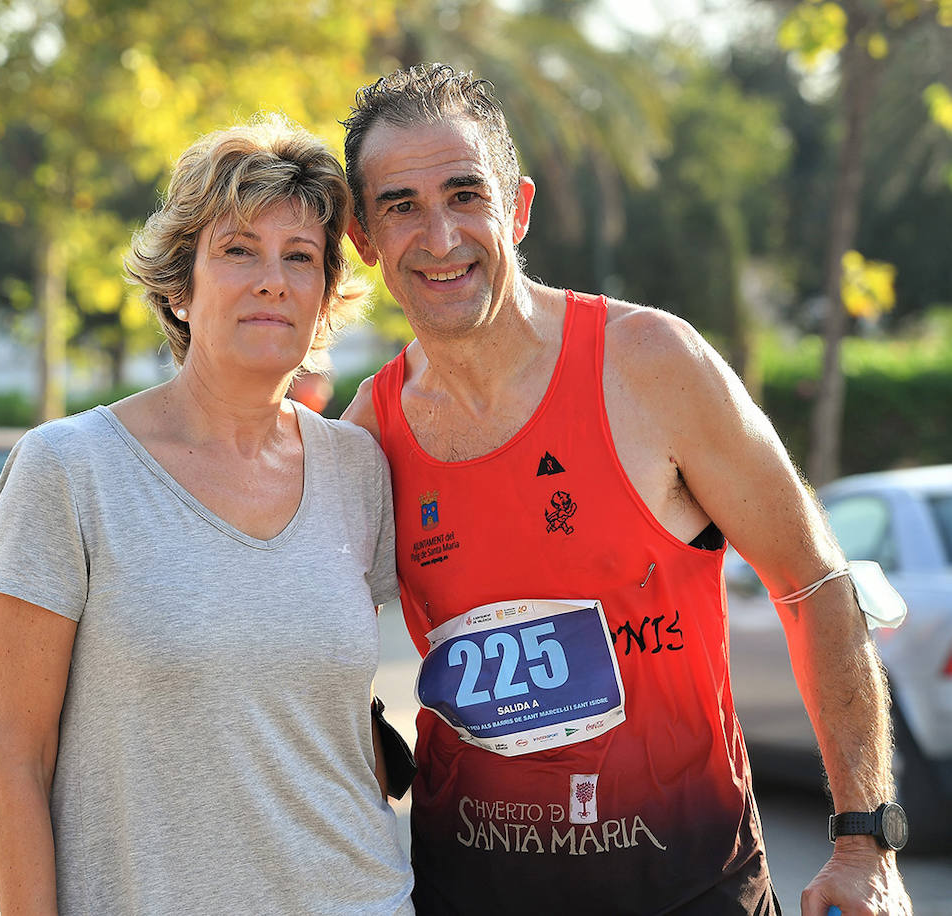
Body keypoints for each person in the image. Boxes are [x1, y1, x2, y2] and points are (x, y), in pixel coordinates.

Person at [339, 64, 912, 915]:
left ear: (519, 207)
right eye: (401, 206)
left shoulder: (650, 365)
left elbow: (816, 580)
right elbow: (296, 638)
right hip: (469, 890)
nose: (440, 235)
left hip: (689, 885)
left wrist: (864, 842)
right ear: (363, 240)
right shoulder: (368, 432)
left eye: (466, 195)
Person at [0, 114, 414, 915]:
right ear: (180, 285)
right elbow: (12, 758)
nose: (272, 280)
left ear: (324, 301)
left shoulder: (358, 469)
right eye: (238, 250)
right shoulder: (69, 471)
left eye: (301, 258)